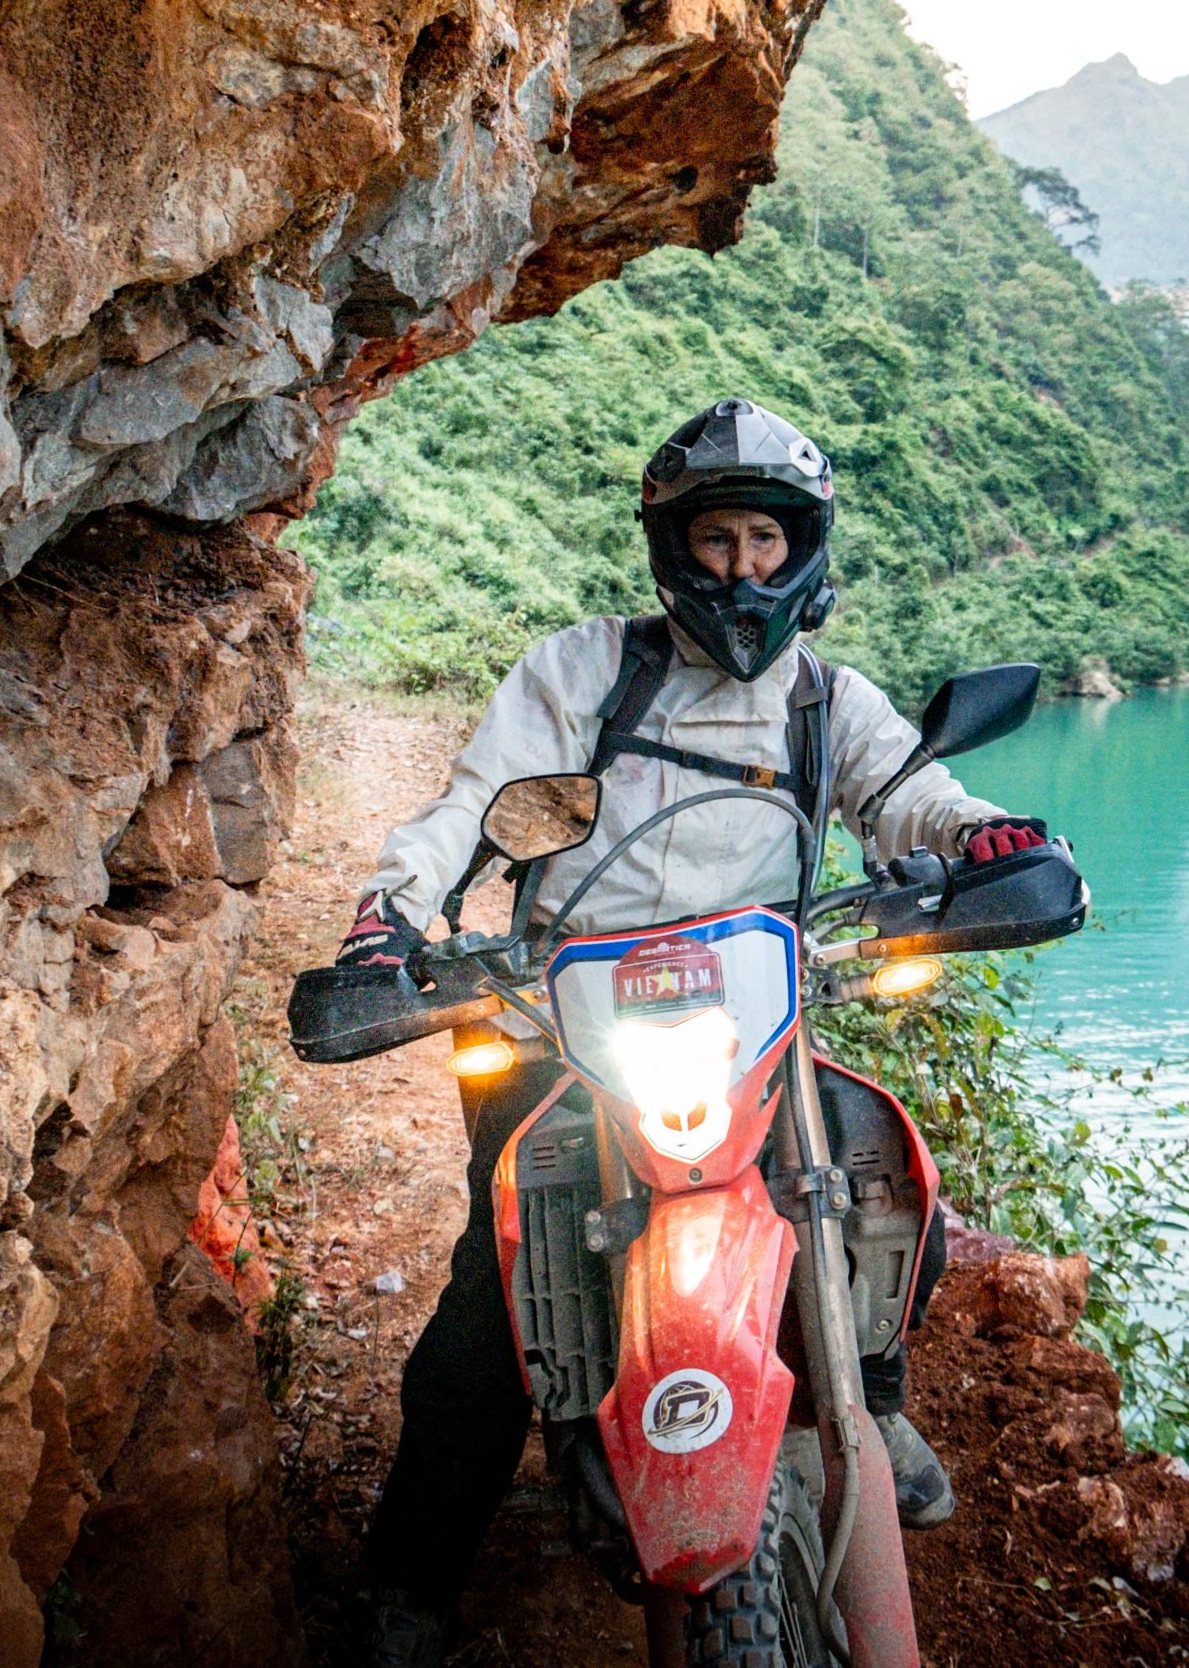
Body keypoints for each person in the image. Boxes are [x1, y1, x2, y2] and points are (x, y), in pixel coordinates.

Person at [341, 399, 1053, 1666]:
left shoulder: (828, 702)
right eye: (716, 538)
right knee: (491, 1304)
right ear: (674, 545)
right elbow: (466, 811)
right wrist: (389, 916)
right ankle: (411, 1583)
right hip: (570, 1021)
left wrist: (982, 836)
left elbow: (916, 796)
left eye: (765, 541)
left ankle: (867, 1399)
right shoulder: (578, 674)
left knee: (884, 1185)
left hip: (753, 1016)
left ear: (803, 550)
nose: (740, 568)